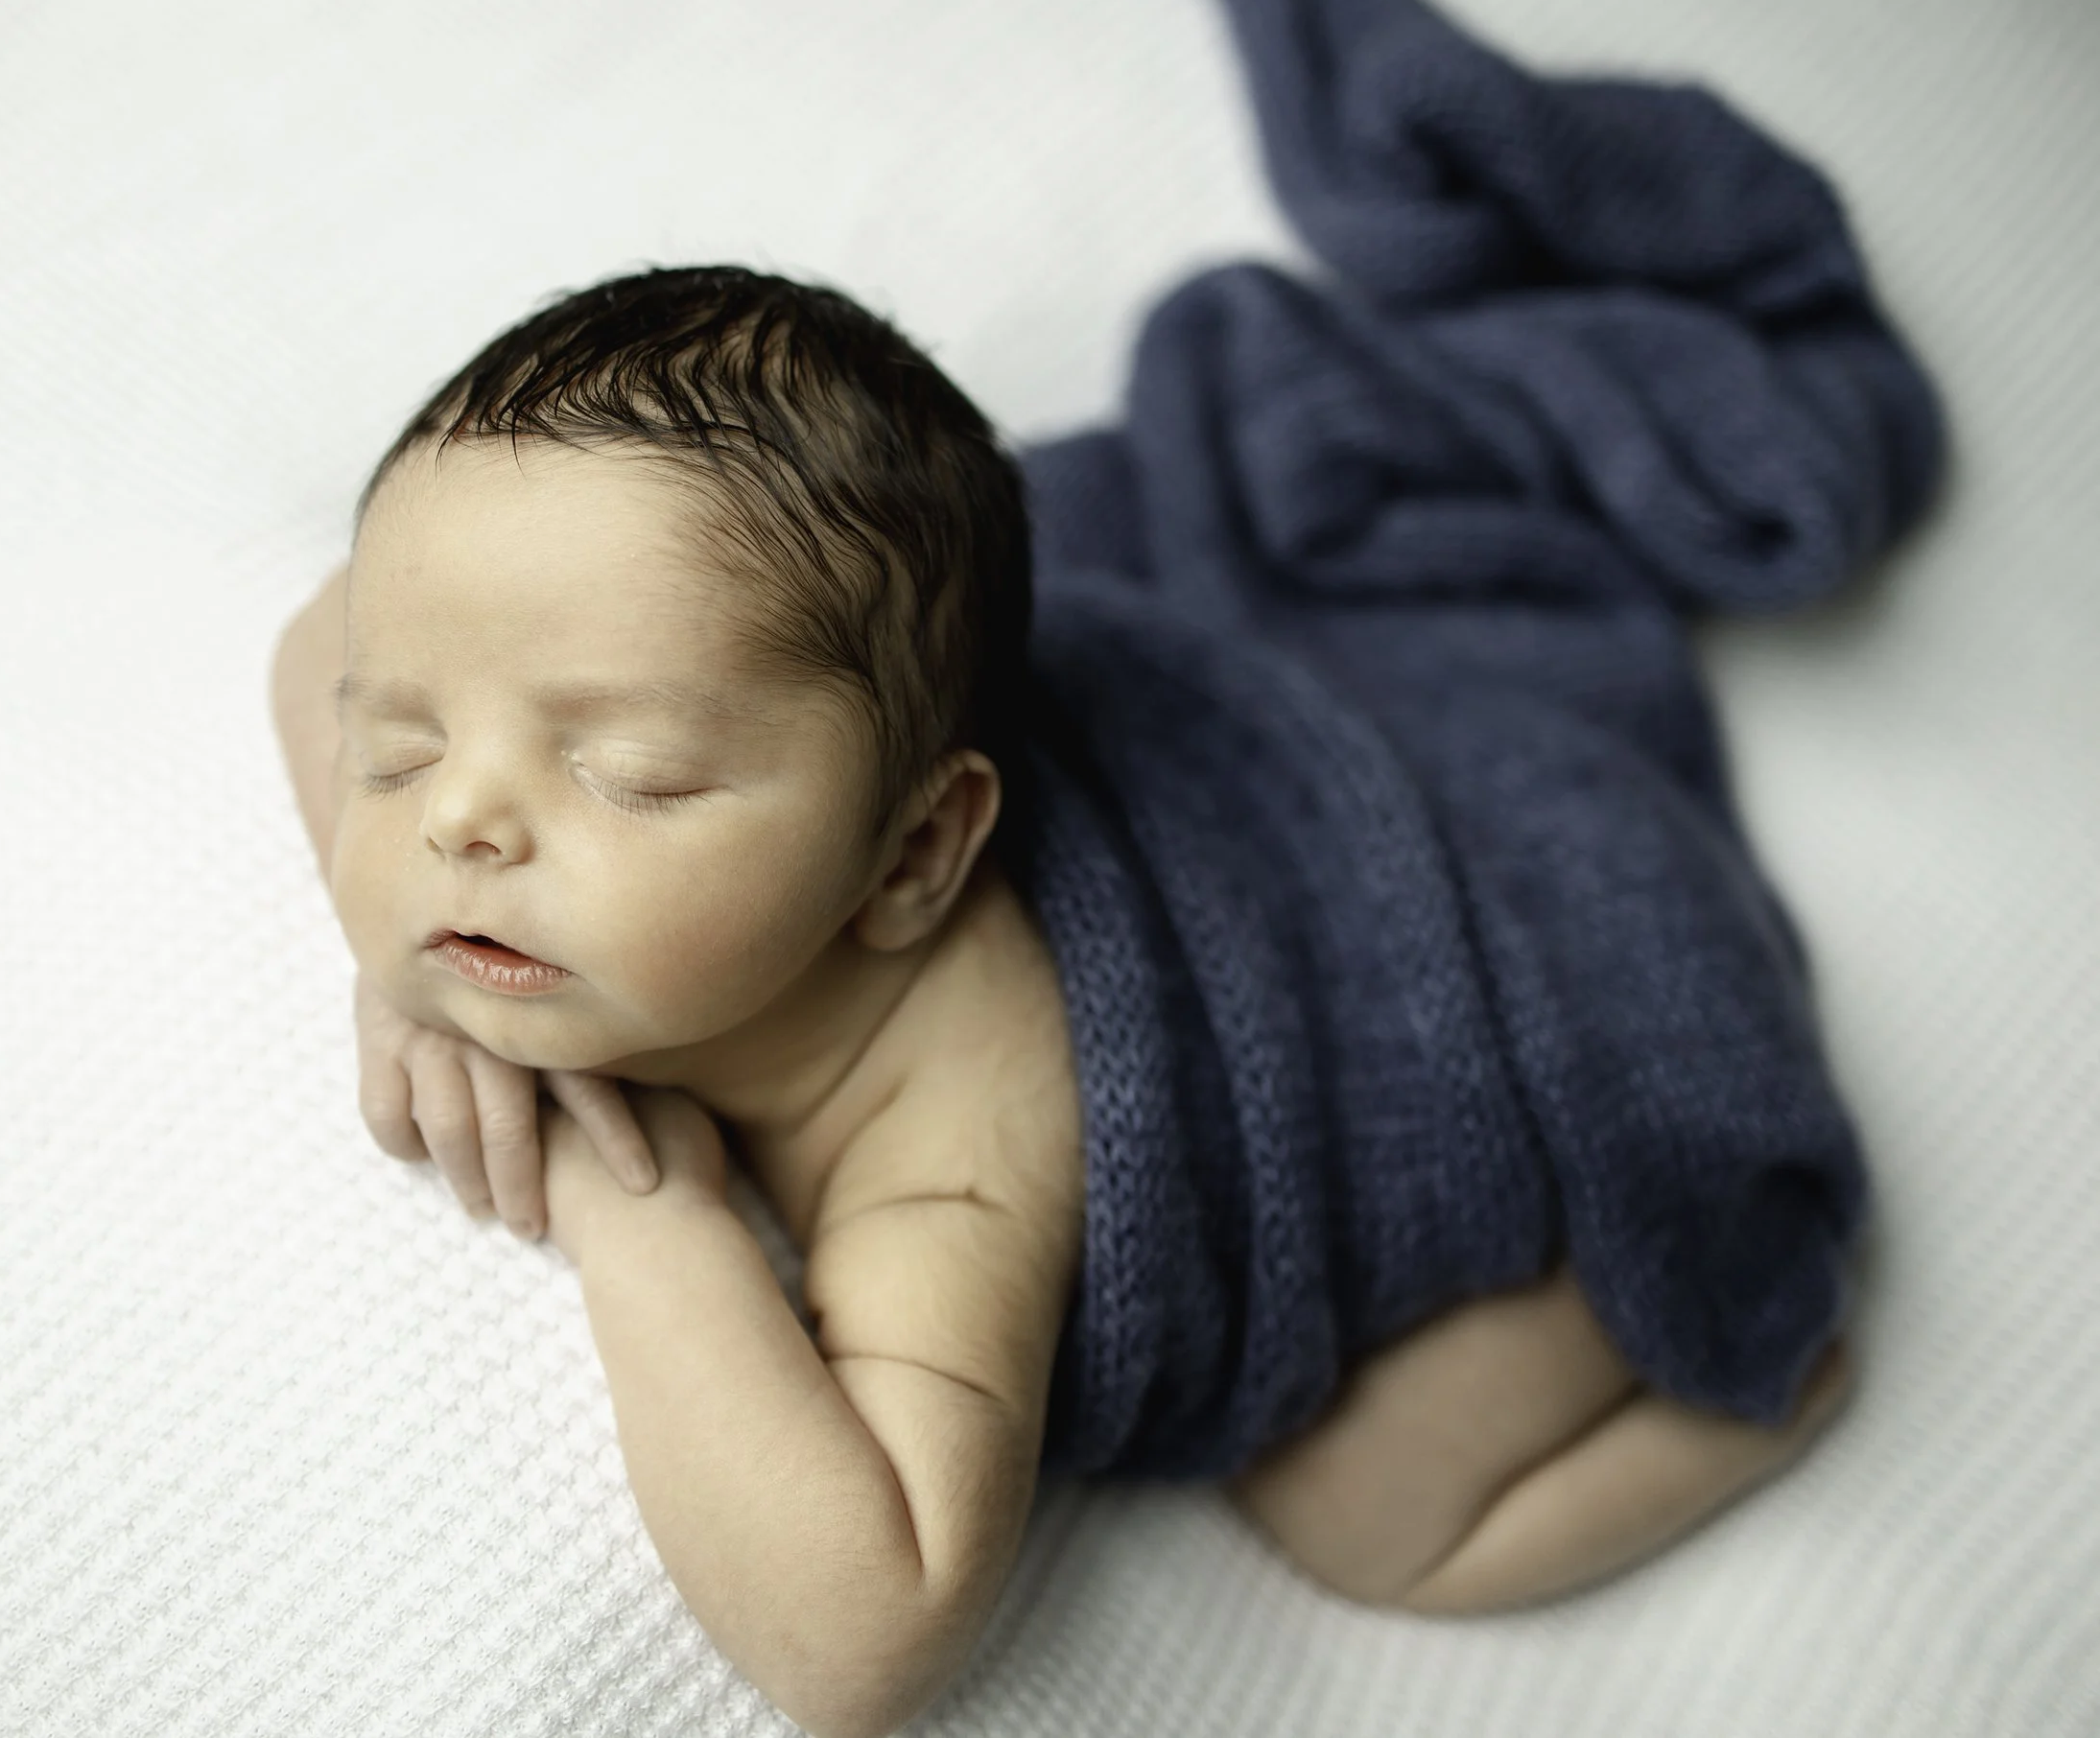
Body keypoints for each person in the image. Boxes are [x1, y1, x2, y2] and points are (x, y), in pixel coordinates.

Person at [270, 264, 1852, 1738]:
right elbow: (323, 631)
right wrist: (406, 972)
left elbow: (864, 1638)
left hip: (1490, 988)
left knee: (1366, 1512)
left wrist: (637, 1208)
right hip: (1254, 805)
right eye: (399, 746)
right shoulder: (501, 775)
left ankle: (1774, 1400)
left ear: (910, 856)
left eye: (631, 773)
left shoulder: (947, 1142)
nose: (456, 819)